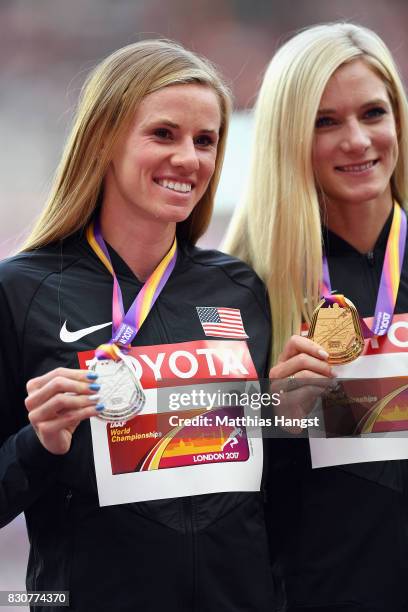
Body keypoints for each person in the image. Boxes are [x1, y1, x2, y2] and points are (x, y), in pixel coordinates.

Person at [0, 40, 277, 612]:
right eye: (164, 134)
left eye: (206, 141)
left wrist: (303, 404)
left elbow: (270, 475)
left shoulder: (239, 288)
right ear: (103, 139)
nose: (189, 159)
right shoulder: (20, 290)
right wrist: (41, 444)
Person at [224, 22, 408, 612]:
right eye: (325, 121)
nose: (357, 140)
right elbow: (209, 459)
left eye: (373, 113)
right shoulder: (240, 283)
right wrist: (282, 415)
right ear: (287, 138)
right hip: (319, 591)